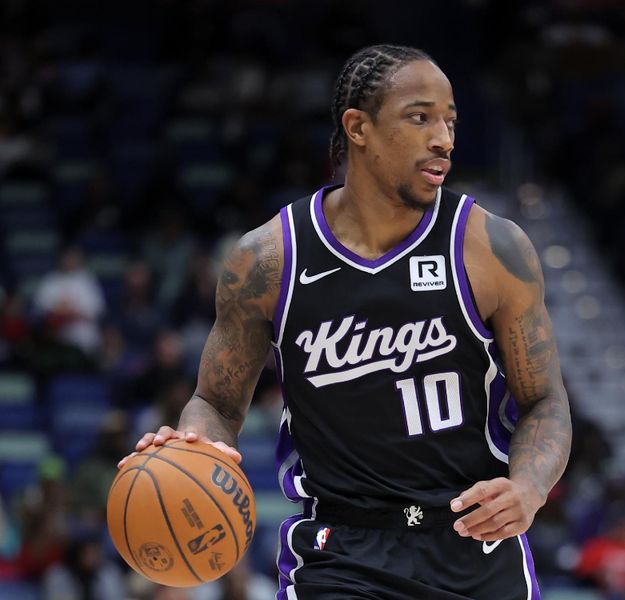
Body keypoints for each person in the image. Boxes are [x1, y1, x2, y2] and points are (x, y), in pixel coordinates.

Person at [120, 44, 572, 599]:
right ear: (358, 127)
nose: (444, 139)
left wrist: (529, 486)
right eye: (419, 117)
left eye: (450, 121)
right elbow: (215, 403)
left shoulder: (493, 248)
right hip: (340, 555)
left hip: (474, 545)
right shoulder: (268, 260)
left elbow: (545, 401)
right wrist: (192, 444)